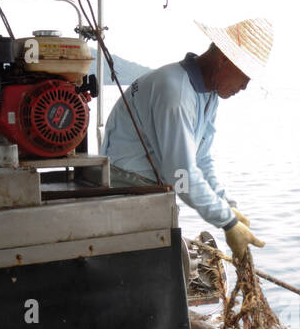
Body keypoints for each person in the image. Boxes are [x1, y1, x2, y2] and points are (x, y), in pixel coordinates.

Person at [101, 18, 271, 263]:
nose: (244, 87)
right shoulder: (176, 93)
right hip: (126, 188)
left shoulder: (208, 94)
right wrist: (228, 222)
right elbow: (181, 176)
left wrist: (226, 203)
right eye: (245, 76)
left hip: (152, 190)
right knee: (164, 270)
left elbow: (201, 159)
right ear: (224, 59)